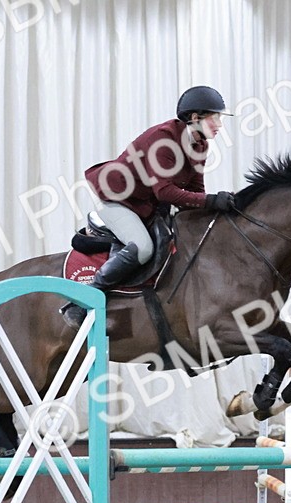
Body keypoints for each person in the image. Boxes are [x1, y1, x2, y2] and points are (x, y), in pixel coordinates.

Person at [61, 86, 237, 328]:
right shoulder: (163, 140)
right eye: (215, 117)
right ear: (195, 118)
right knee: (143, 248)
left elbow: (196, 188)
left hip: (147, 203)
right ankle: (86, 298)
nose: (219, 124)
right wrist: (210, 201)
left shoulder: (200, 146)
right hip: (116, 198)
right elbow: (165, 191)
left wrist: (214, 209)